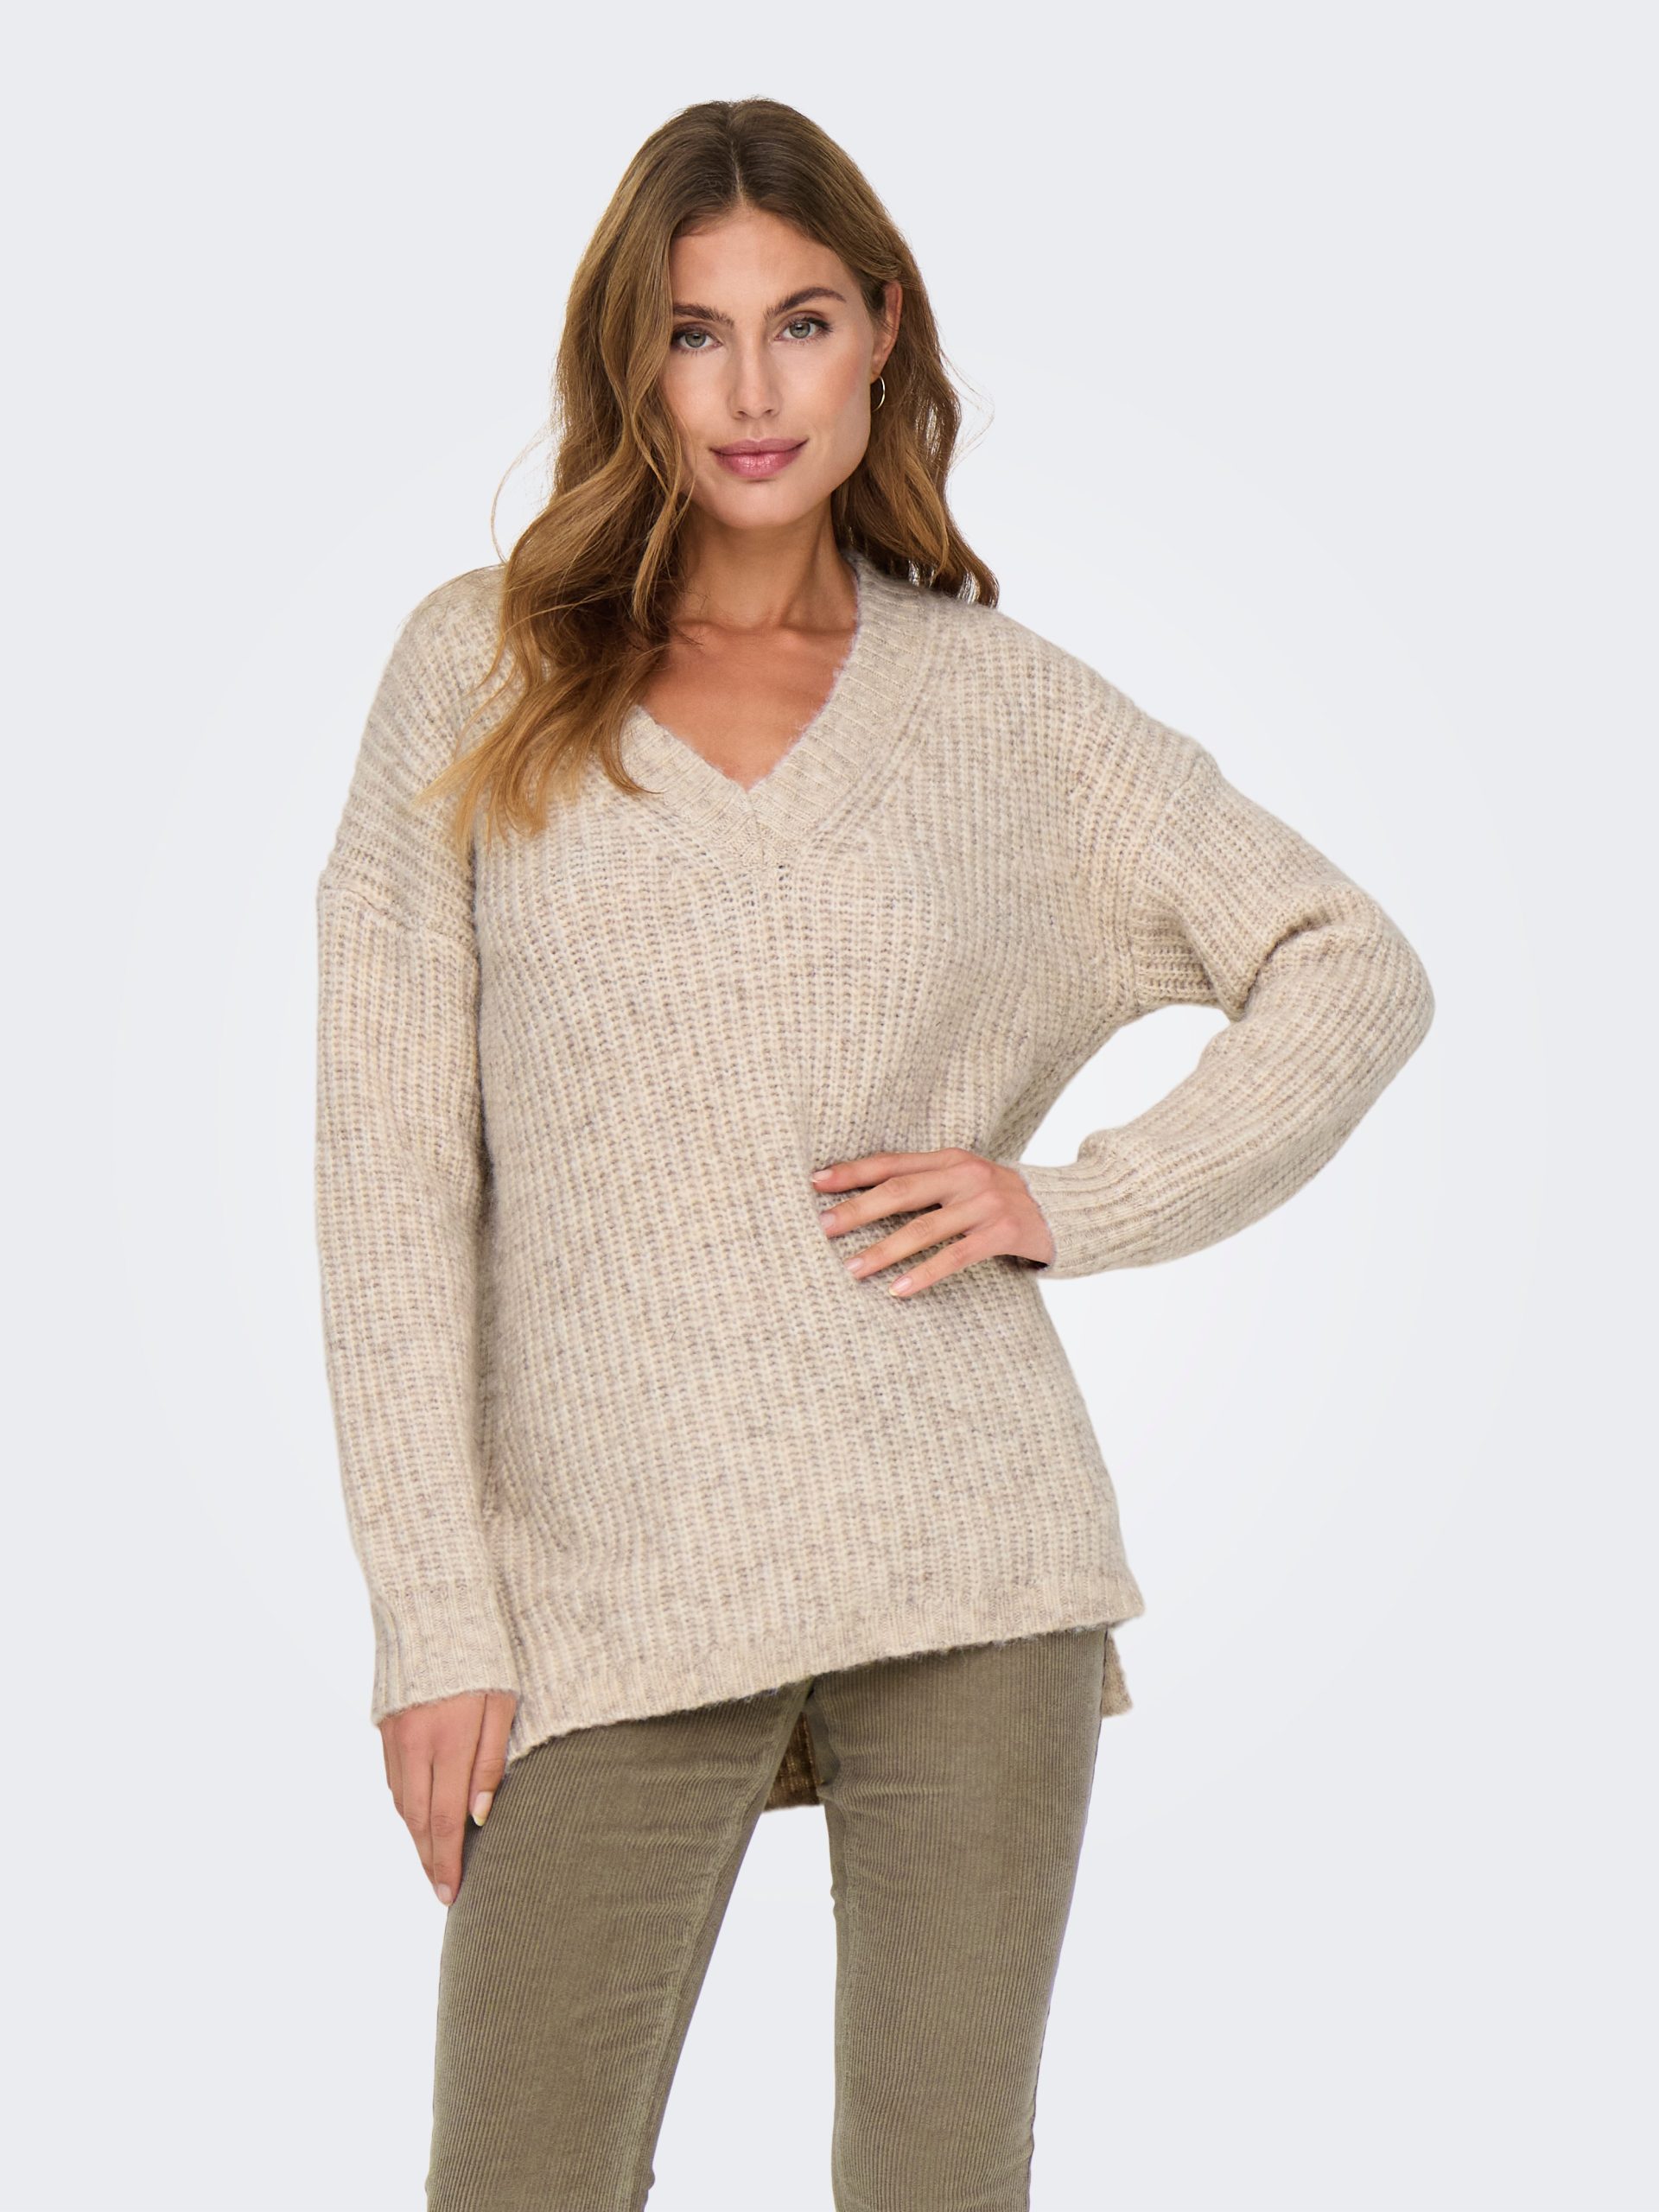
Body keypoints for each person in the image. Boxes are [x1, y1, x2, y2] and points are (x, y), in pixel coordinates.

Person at [312, 97, 1435, 2212]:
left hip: (968, 1554)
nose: (752, 389)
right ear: (630, 362)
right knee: (517, 2175)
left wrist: (1072, 1203)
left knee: (938, 2182)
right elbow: (387, 1176)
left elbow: (1348, 962)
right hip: (602, 1583)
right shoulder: (480, 665)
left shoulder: (999, 706)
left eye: (801, 323)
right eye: (694, 333)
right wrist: (433, 1615)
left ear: (882, 335)